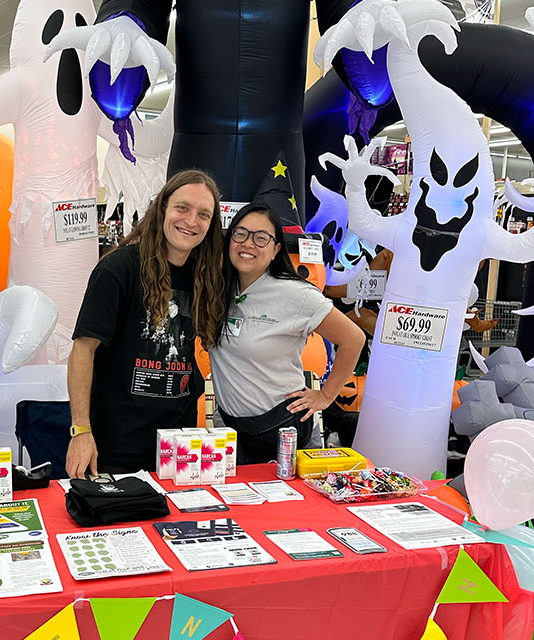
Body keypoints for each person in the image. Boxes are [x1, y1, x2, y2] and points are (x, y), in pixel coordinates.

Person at [66, 169, 225, 478]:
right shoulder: (119, 269)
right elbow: (82, 351)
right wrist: (80, 430)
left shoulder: (204, 276)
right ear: (162, 207)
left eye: (203, 214)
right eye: (182, 208)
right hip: (115, 452)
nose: (191, 221)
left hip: (178, 450)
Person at [209, 203, 365, 464]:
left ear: (276, 249)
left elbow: (354, 339)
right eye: (240, 234)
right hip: (231, 431)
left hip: (281, 431)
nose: (248, 244)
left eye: (261, 238)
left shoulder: (296, 294)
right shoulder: (218, 288)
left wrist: (325, 396)